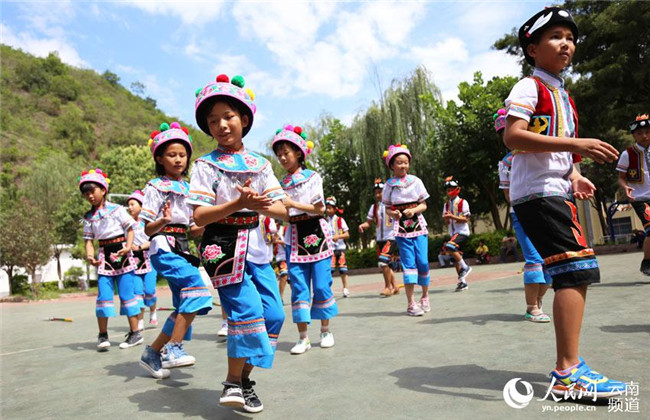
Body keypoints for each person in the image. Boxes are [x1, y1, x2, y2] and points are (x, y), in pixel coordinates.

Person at [504, 7, 626, 399]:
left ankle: (569, 368)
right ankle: (568, 373)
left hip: (556, 190)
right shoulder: (529, 88)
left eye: (570, 38)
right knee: (574, 271)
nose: (566, 44)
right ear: (532, 49)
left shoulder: (564, 98)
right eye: (555, 36)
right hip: (537, 193)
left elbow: (561, 151)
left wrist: (574, 174)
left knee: (576, 271)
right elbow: (513, 137)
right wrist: (577, 145)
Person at [190, 74, 286, 412]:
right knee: (246, 310)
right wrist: (237, 204)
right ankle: (232, 383)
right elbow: (200, 216)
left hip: (256, 248)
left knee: (274, 315)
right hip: (221, 246)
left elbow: (282, 210)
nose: (221, 125)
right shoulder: (205, 165)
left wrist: (259, 205)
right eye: (212, 120)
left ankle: (244, 380)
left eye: (228, 116)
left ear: (244, 119)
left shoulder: (261, 164)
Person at [138, 122, 213, 380]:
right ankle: (174, 348)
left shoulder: (190, 187)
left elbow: (193, 229)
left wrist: (213, 221)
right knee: (197, 287)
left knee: (183, 305)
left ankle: (152, 352)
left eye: (182, 154)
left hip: (182, 248)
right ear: (160, 158)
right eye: (172, 154)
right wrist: (163, 220)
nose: (179, 159)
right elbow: (148, 228)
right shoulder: (155, 186)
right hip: (163, 247)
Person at [272, 124, 338, 354]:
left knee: (321, 285)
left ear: (299, 153)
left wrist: (292, 204)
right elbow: (282, 213)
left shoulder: (313, 177)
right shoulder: (280, 184)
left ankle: (325, 331)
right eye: (279, 154)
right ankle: (303, 338)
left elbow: (319, 209)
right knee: (299, 289)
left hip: (317, 235)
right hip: (294, 239)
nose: (282, 158)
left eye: (286, 153)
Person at [496, 108, 551, 323]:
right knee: (534, 259)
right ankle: (531, 307)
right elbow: (508, 194)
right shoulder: (506, 163)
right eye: (505, 133)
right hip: (523, 212)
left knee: (551, 260)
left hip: (547, 210)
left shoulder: (540, 151)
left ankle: (538, 301)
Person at [80, 168, 142, 351]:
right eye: (86, 194)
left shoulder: (117, 210)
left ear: (103, 190)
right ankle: (103, 335)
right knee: (103, 296)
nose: (90, 196)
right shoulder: (88, 218)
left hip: (123, 254)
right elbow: (89, 241)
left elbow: (130, 229)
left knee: (127, 294)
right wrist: (90, 256)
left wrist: (128, 246)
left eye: (92, 191)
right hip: (104, 258)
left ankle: (135, 333)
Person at [382, 144, 431, 316]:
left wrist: (414, 210)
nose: (403, 165)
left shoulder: (416, 181)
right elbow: (387, 208)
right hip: (401, 229)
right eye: (399, 162)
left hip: (418, 226)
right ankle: (411, 303)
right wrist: (394, 213)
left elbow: (424, 205)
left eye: (406, 162)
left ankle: (425, 296)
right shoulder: (389, 185)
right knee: (409, 264)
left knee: (423, 262)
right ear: (392, 165)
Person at [616, 114, 650, 274]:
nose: (644, 136)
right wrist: (625, 188)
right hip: (640, 198)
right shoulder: (627, 154)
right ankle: (647, 262)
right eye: (640, 133)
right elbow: (621, 177)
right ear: (634, 135)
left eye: (647, 132)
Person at [358, 178, 399, 295]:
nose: (377, 195)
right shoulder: (374, 207)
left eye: (380, 192)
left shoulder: (393, 205)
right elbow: (369, 222)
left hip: (391, 237)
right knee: (387, 264)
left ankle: (387, 287)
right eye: (376, 192)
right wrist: (363, 226)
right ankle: (395, 286)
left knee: (383, 262)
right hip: (380, 239)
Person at [127, 189, 158, 329]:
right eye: (128, 205)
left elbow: (153, 240)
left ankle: (153, 310)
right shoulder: (127, 224)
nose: (130, 207)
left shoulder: (149, 223)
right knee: (137, 293)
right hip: (134, 262)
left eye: (132, 204)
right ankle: (140, 320)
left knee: (150, 290)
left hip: (149, 259)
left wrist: (139, 247)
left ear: (141, 206)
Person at [442, 177, 472, 291]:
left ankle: (465, 267)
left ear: (457, 189)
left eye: (451, 189)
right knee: (455, 259)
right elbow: (447, 221)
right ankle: (462, 282)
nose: (449, 191)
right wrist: (446, 218)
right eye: (448, 189)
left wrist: (452, 216)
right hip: (453, 233)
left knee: (450, 246)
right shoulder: (446, 204)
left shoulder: (463, 202)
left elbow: (465, 219)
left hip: (462, 232)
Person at [326, 196, 351, 297]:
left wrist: (338, 236)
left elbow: (347, 234)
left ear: (335, 208)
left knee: (342, 269)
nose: (328, 210)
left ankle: (345, 288)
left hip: (340, 248)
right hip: (330, 250)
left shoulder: (340, 220)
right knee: (329, 270)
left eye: (330, 208)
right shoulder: (325, 221)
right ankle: (329, 290)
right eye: (327, 208)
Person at [273, 220, 290, 302]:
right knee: (284, 275)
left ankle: (297, 298)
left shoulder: (285, 229)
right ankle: (280, 298)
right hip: (281, 257)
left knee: (291, 279)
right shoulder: (272, 231)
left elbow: (289, 242)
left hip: (290, 256)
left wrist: (278, 241)